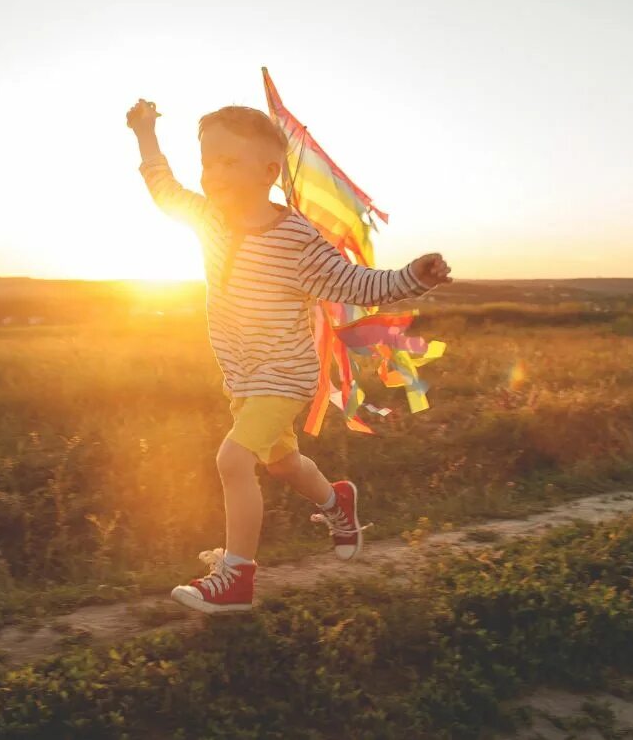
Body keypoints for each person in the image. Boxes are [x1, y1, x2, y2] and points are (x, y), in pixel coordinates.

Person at [126, 98, 452, 613]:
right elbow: (163, 188)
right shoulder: (208, 218)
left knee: (233, 460)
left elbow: (355, 283)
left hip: (286, 377)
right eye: (209, 161)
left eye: (230, 162)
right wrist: (144, 133)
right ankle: (336, 502)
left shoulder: (297, 238)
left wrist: (413, 277)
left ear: (270, 172)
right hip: (244, 378)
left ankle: (237, 578)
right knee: (283, 465)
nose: (214, 173)